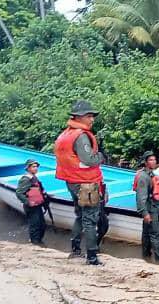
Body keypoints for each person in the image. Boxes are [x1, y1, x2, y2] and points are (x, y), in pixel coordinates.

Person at [54, 100, 105, 265]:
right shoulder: (81, 136)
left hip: (72, 181)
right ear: (79, 117)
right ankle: (92, 257)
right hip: (86, 183)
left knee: (80, 215)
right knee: (90, 219)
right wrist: (102, 156)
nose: (92, 119)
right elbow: (89, 159)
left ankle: (75, 250)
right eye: (89, 116)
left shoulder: (66, 134)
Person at [133, 151, 159, 260]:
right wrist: (145, 213)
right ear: (146, 162)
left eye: (154, 160)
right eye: (151, 160)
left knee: (147, 234)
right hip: (150, 210)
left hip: (153, 208)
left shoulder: (151, 174)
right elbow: (141, 197)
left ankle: (146, 257)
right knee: (156, 235)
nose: (154, 162)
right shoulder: (143, 177)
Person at [15, 159, 47, 245]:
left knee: (42, 225)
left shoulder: (34, 177)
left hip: (38, 205)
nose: (36, 168)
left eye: (36, 167)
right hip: (31, 206)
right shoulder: (25, 179)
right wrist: (28, 202)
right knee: (35, 226)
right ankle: (35, 243)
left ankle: (39, 242)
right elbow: (19, 193)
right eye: (33, 167)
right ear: (28, 168)